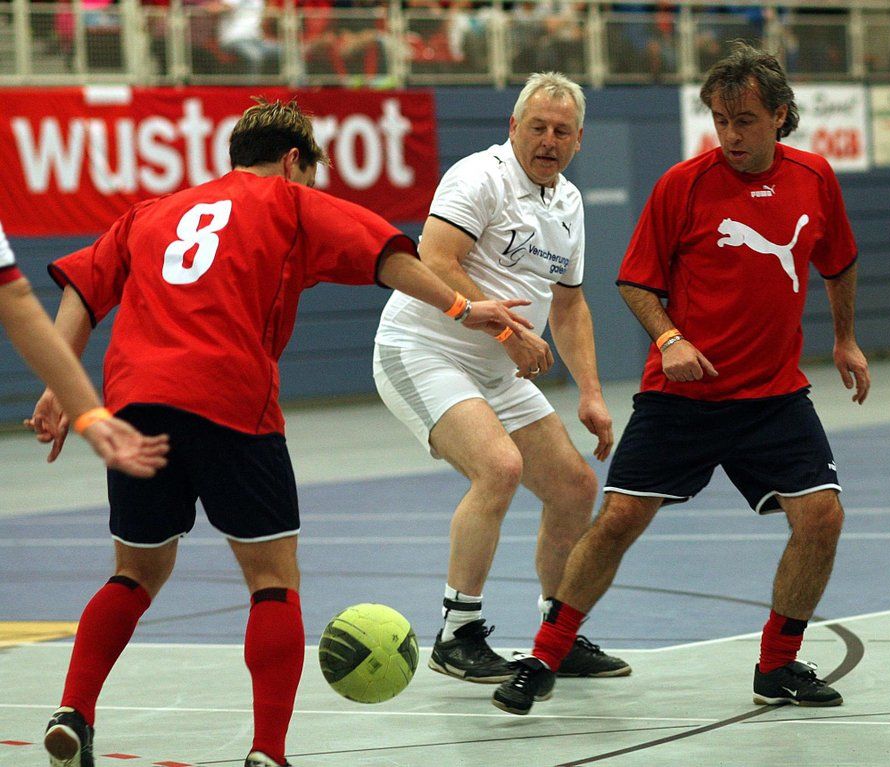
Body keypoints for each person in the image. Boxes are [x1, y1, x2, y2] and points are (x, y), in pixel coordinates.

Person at [26, 98, 533, 767]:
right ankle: (267, 750)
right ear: (293, 161)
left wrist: (61, 386)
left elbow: (83, 290)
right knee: (272, 578)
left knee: (135, 572)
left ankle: (73, 711)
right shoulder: (290, 202)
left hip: (137, 405)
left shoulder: (150, 213)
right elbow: (390, 256)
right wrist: (466, 308)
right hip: (232, 401)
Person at [492, 43, 871, 715]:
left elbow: (838, 261)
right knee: (617, 520)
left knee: (822, 517)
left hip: (774, 396)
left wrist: (845, 338)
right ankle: (544, 658)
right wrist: (669, 340)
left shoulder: (814, 177)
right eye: (720, 121)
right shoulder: (683, 184)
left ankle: (777, 665)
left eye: (744, 120)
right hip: (683, 397)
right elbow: (636, 280)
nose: (731, 135)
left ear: (780, 116)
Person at [373, 71, 630, 686]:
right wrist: (511, 334)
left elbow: (569, 304)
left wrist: (591, 394)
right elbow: (434, 258)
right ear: (513, 127)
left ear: (578, 140)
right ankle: (456, 634)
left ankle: (557, 635)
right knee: (499, 467)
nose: (548, 140)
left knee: (574, 487)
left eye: (562, 131)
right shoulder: (478, 177)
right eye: (537, 127)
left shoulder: (568, 203)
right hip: (423, 351)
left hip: (495, 369)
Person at [0, 221, 168, 477]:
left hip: (140, 396)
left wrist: (74, 402)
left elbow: (19, 301)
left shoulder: (142, 218)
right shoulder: (142, 218)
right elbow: (17, 302)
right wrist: (84, 411)